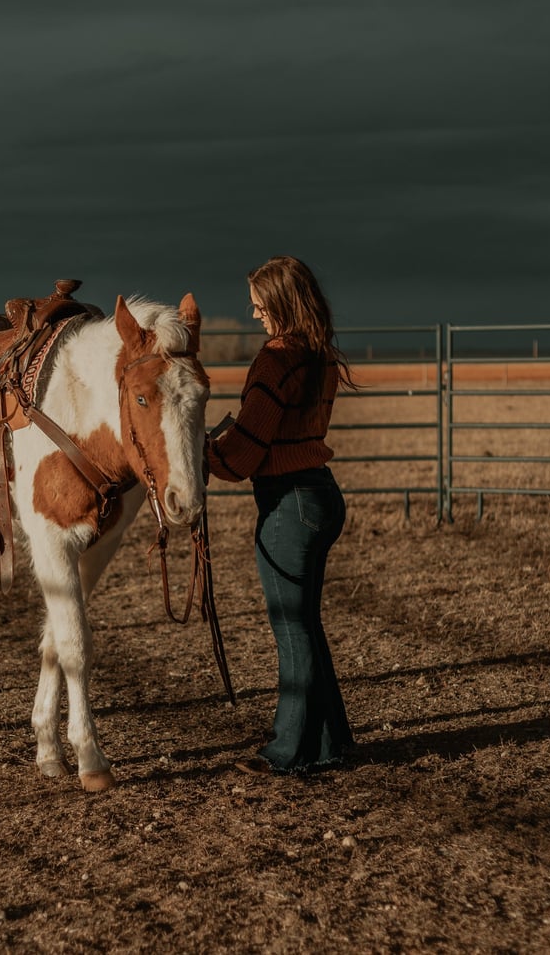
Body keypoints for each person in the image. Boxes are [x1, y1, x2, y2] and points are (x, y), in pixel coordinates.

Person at [206, 255, 355, 777]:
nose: (254, 314)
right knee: (306, 625)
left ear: (281, 302)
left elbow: (246, 451)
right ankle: (332, 742)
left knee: (291, 629)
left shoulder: (275, 359)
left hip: (288, 505)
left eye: (259, 303)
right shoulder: (321, 357)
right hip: (320, 495)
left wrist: (199, 457)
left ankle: (287, 752)